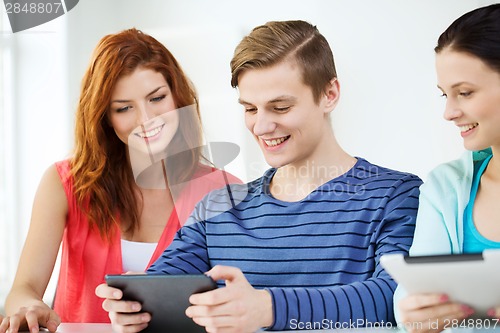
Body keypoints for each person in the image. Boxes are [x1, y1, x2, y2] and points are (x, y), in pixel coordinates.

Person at [96, 20, 422, 333]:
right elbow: (160, 289)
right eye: (250, 109)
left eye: (280, 107)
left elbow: (395, 298)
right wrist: (134, 308)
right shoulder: (218, 207)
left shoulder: (396, 196)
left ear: (329, 94)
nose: (261, 127)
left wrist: (267, 308)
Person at [1, 28, 240, 333]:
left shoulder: (224, 192)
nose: (146, 119)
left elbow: (237, 299)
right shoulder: (64, 184)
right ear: (104, 116)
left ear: (178, 97)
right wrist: (30, 307)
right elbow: (24, 288)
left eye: (157, 98)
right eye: (124, 107)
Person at [395, 4, 500, 333]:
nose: (449, 112)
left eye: (464, 93)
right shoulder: (445, 187)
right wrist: (412, 314)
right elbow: (408, 302)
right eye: (445, 94)